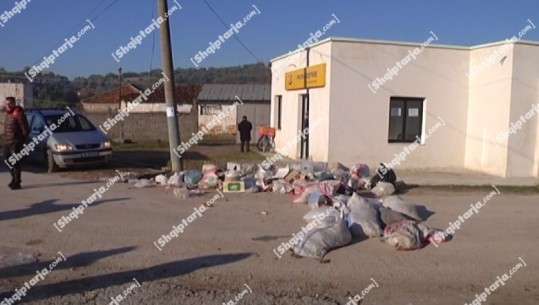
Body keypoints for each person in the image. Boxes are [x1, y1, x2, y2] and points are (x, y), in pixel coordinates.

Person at [3, 97, 29, 190]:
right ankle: (14, 178)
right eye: (6, 104)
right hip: (7, 141)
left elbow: (25, 128)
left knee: (15, 162)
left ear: (14, 104)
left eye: (10, 104)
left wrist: (24, 140)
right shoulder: (7, 114)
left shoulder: (18, 113)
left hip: (15, 142)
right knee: (7, 160)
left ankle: (17, 182)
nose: (8, 106)